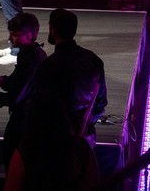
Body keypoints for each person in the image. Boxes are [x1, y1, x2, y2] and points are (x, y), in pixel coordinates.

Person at [0, 13, 47, 168]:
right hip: (25, 120)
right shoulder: (30, 53)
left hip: (24, 123)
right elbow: (10, 82)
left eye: (14, 35)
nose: (10, 38)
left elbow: (13, 99)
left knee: (13, 162)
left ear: (29, 35)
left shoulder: (32, 58)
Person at [33, 9, 108, 146]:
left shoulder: (48, 65)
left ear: (52, 29)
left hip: (57, 140)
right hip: (85, 138)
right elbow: (100, 102)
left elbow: (41, 107)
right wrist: (86, 124)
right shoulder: (93, 59)